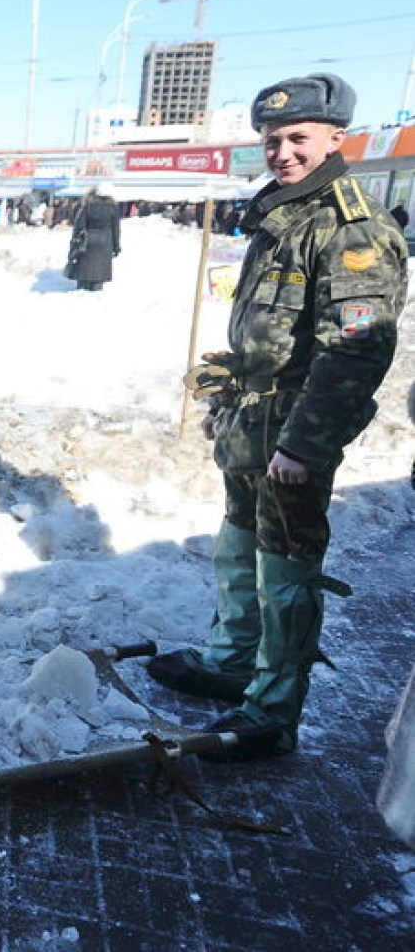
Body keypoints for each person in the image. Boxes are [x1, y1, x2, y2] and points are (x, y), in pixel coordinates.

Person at [146, 73, 408, 762]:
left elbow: (357, 350)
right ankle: (232, 663)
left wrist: (304, 445)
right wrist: (226, 403)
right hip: (251, 423)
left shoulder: (351, 228)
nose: (283, 151)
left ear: (334, 138)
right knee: (237, 546)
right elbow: (264, 335)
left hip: (294, 433)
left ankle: (272, 708)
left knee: (286, 566)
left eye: (298, 138)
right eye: (272, 139)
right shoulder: (284, 213)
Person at [66, 185, 120, 291]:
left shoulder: (88, 206)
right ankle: (96, 291)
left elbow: (79, 225)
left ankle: (81, 291)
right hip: (106, 242)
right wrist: (116, 247)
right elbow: (116, 229)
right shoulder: (112, 208)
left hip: (88, 240)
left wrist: (75, 241)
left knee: (84, 269)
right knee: (99, 272)